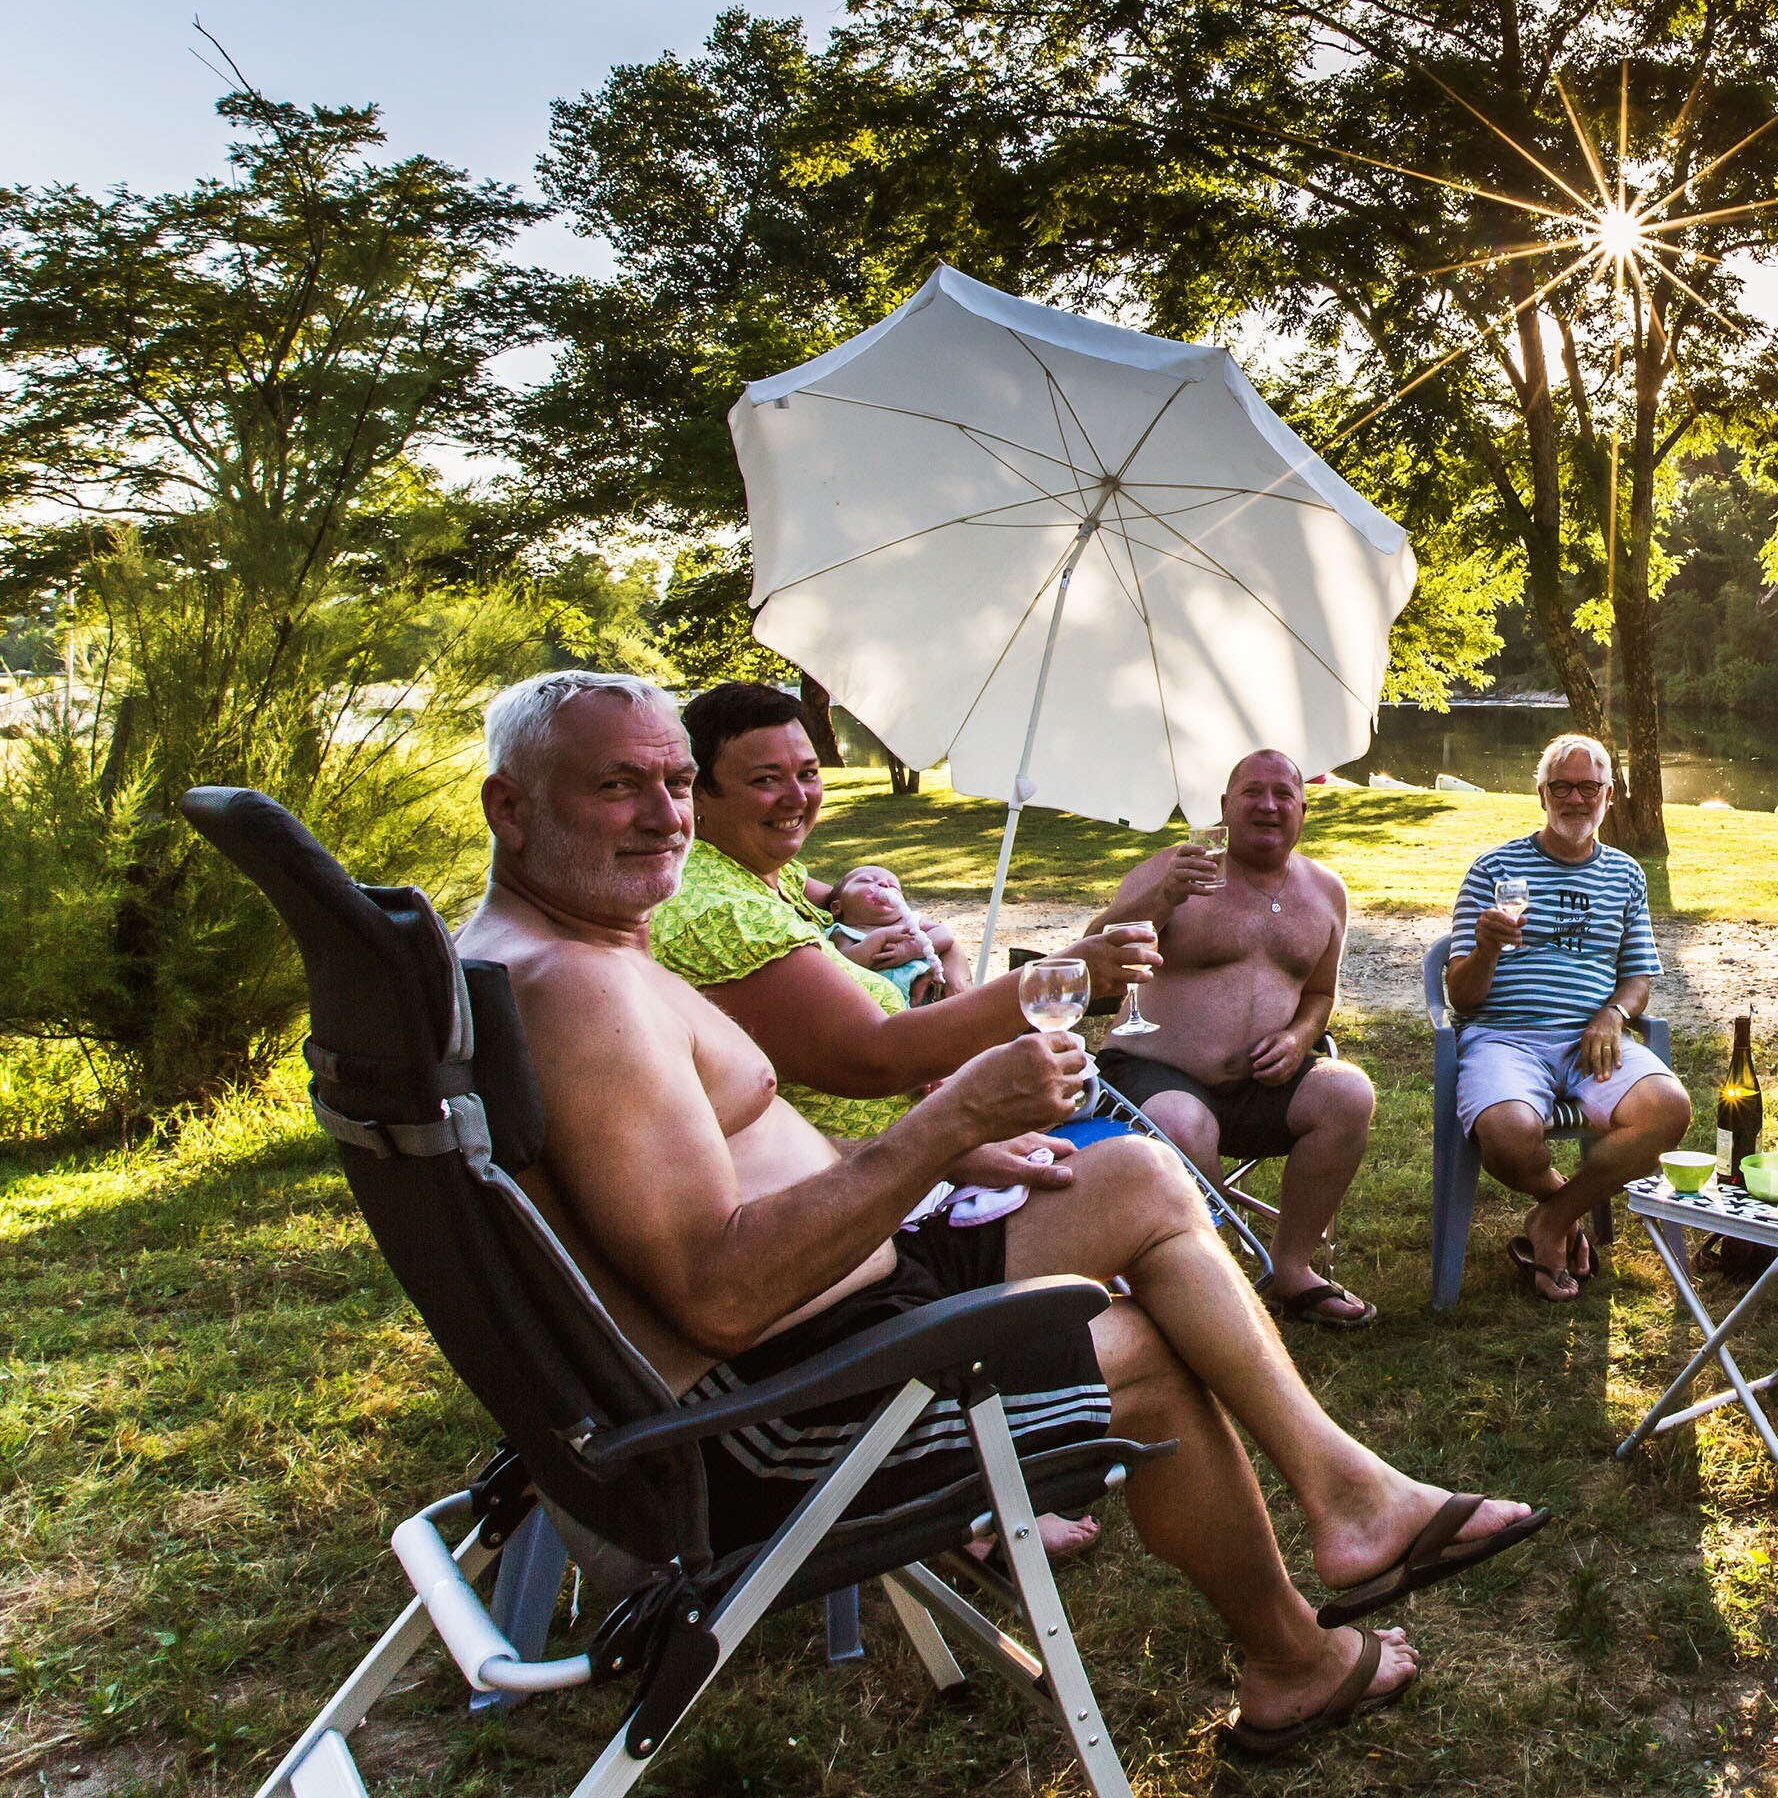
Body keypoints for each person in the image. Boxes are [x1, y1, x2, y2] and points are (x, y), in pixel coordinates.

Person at [459, 670, 1547, 1760]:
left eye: (673, 781)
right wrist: (944, 1125)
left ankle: (1350, 1492)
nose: (664, 813)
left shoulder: (555, 951)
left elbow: (720, 1172)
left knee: (1126, 1172)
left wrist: (948, 1142)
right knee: (1151, 1349)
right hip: (772, 1423)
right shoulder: (580, 993)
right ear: (512, 806)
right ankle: (1298, 1653)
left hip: (825, 1313)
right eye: (617, 784)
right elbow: (723, 1291)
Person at [647, 682, 1143, 1142]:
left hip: (933, 1137)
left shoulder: (765, 873)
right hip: (872, 1180)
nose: (797, 798)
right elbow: (875, 1056)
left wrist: (943, 957)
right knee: (1139, 1170)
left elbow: (880, 906)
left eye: (808, 773)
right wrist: (1060, 977)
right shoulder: (719, 913)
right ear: (697, 792)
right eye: (765, 779)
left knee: (1142, 1173)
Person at [1086, 750, 1381, 1329]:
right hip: (1153, 1078)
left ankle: (1290, 1270)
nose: (1267, 805)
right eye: (1252, 792)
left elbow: (1321, 995)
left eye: (1283, 794)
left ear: (1303, 810)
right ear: (1225, 807)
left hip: (1263, 1085)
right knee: (1185, 1122)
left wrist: (1299, 1040)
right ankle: (1217, 1282)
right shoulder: (1177, 868)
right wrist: (1164, 897)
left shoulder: (1326, 891)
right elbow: (1096, 949)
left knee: (1348, 1093)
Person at [1445, 733, 1692, 1302]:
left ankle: (1549, 1223)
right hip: (1503, 1037)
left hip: (1591, 1040)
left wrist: (1614, 1013)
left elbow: (1638, 977)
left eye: (1588, 787)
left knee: (1668, 1110)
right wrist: (1484, 949)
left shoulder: (1626, 875)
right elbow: (1463, 998)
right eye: (1562, 786)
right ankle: (1565, 1212)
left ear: (1609, 796)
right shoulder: (1493, 868)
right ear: (1541, 794)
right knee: (1507, 1135)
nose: (1575, 799)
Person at [825, 862, 965, 1004]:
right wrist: (877, 939)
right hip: (884, 1008)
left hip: (932, 996)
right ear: (837, 907)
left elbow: (944, 934)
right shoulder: (843, 933)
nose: (884, 884)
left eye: (893, 886)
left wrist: (911, 949)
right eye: (866, 880)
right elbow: (844, 966)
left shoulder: (909, 923)